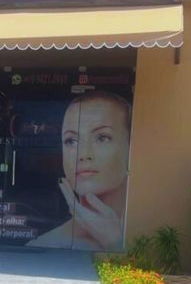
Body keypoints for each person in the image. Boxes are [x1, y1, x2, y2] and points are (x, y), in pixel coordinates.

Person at [27, 90, 131, 251]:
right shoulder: (41, 245)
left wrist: (113, 241)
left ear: (130, 147)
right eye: (71, 141)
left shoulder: (153, 233)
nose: (83, 155)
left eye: (102, 138)